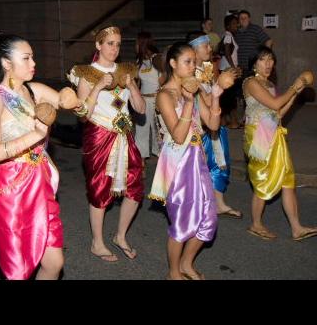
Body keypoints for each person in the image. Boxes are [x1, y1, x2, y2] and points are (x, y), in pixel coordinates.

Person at [0, 31, 79, 280]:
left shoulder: (34, 90)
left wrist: (74, 98)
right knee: (18, 270)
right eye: (26, 58)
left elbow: (71, 104)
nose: (34, 63)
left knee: (54, 263)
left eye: (33, 57)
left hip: (41, 181)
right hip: (12, 188)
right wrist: (36, 134)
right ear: (6, 63)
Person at [67, 25, 146, 262]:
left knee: (135, 186)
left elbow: (141, 109)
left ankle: (120, 236)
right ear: (98, 45)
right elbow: (82, 116)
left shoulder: (126, 71)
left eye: (118, 44)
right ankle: (97, 243)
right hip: (99, 136)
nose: (114, 49)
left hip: (125, 136)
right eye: (110, 43)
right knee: (100, 188)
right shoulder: (86, 73)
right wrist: (99, 86)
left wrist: (131, 85)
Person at [149, 42, 223, 280]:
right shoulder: (165, 95)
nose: (193, 67)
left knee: (209, 219)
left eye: (194, 62)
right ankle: (173, 273)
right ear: (173, 63)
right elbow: (179, 136)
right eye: (187, 62)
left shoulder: (194, 89)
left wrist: (215, 96)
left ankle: (186, 264)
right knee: (183, 222)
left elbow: (213, 125)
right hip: (178, 164)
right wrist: (189, 102)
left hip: (198, 161)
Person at [242, 47, 317, 241]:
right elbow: (275, 104)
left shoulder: (269, 83)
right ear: (254, 63)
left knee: (287, 180)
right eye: (263, 59)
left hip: (274, 132)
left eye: (271, 59)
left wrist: (295, 94)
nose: (268, 63)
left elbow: (277, 114)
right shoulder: (251, 82)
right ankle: (256, 224)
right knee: (263, 180)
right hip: (259, 135)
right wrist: (294, 87)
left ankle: (297, 228)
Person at [189, 35, 243, 219]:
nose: (210, 48)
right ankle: (199, 206)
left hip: (213, 123)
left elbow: (213, 94)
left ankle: (218, 203)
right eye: (205, 46)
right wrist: (220, 84)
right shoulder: (189, 74)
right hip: (199, 127)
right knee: (201, 168)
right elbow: (204, 99)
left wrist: (224, 81)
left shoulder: (206, 68)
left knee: (220, 162)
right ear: (194, 49)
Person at [134, 31, 163, 170]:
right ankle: (141, 163)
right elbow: (138, 82)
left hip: (157, 99)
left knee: (158, 131)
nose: (135, 45)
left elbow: (164, 78)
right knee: (141, 131)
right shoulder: (139, 61)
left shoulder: (157, 58)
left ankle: (161, 161)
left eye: (136, 42)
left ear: (142, 43)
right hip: (143, 100)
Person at [217, 14, 243, 128]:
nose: (236, 25)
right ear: (227, 26)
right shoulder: (228, 36)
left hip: (226, 69)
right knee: (230, 97)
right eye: (234, 23)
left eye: (236, 23)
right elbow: (227, 53)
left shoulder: (227, 35)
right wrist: (233, 67)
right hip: (228, 70)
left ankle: (224, 121)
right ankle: (233, 122)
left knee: (226, 97)